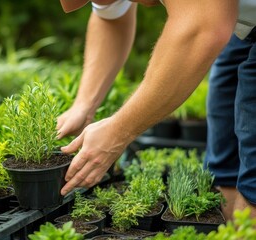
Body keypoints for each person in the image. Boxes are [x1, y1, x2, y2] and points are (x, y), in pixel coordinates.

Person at [56, 0, 256, 221]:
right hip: (235, 20)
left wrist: (118, 130)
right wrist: (84, 104)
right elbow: (109, 15)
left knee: (253, 188)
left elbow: (202, 29)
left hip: (215, 18)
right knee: (224, 167)